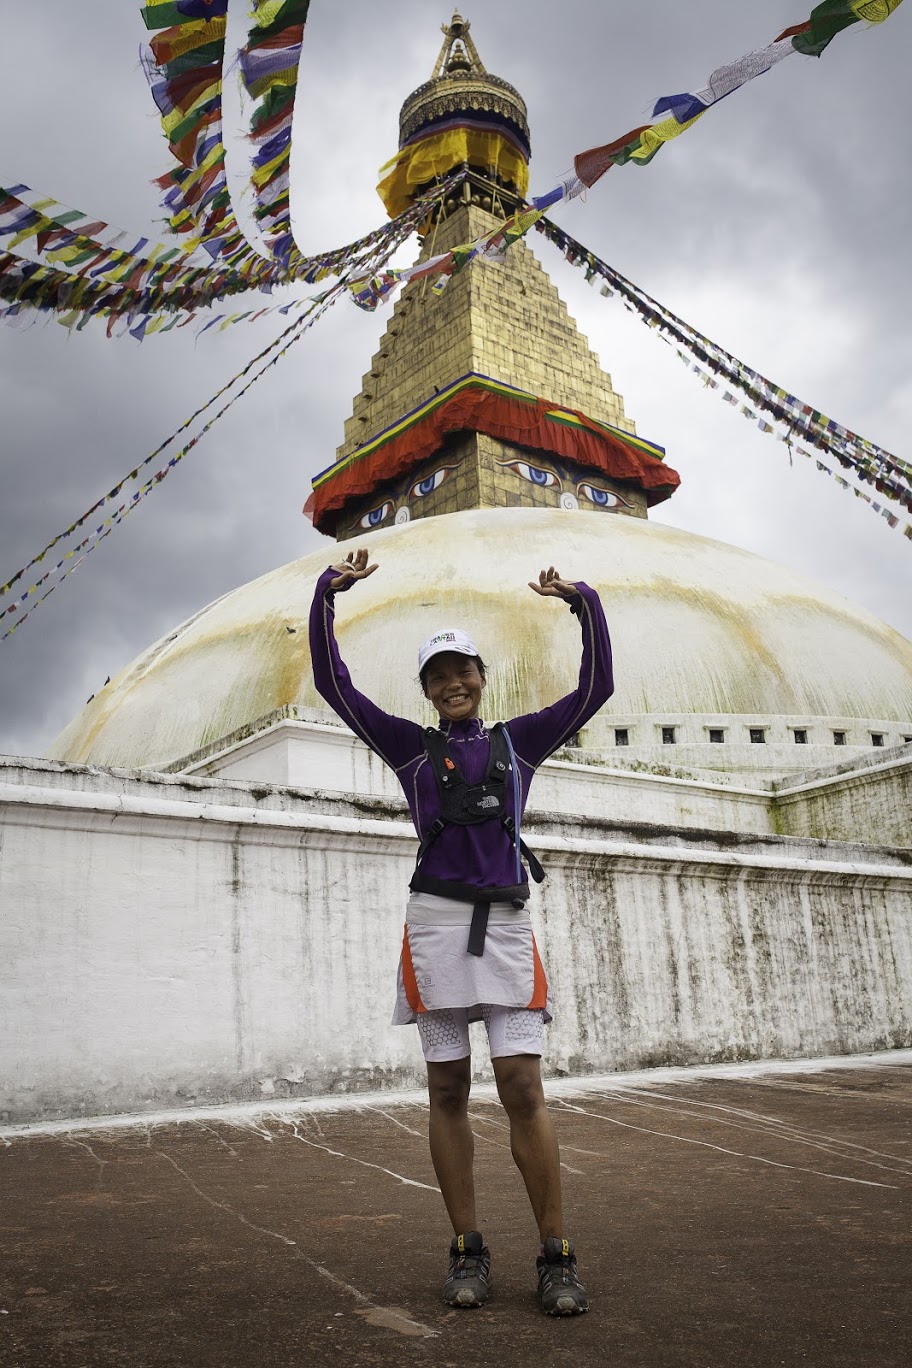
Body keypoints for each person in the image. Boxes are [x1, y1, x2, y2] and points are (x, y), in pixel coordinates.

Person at [309, 547, 613, 1316]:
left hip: (506, 926)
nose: (453, 684)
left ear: (481, 678)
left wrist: (582, 602)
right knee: (447, 1088)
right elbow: (332, 685)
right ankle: (466, 1248)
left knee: (522, 1087)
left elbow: (596, 686)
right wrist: (326, 595)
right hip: (436, 928)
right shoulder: (411, 749)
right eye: (438, 675)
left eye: (464, 671)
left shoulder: (519, 744)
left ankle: (555, 1253)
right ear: (425, 688)